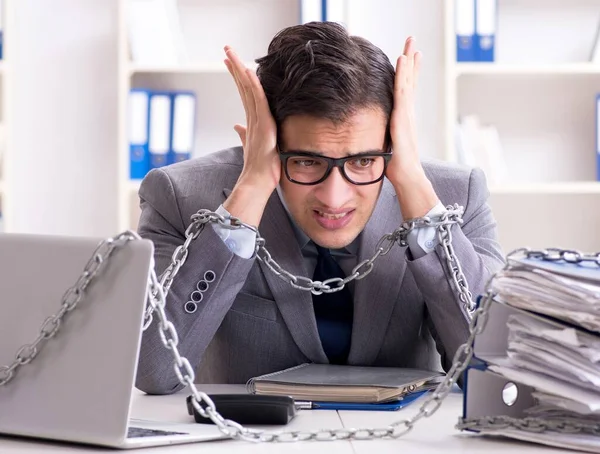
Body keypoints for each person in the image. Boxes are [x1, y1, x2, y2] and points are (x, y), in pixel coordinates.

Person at [134, 21, 505, 395]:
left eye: (362, 161)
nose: (334, 198)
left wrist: (414, 188)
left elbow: (492, 372)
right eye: (307, 162)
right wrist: (252, 188)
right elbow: (153, 371)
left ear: (391, 143)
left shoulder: (457, 196)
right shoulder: (180, 197)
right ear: (272, 141)